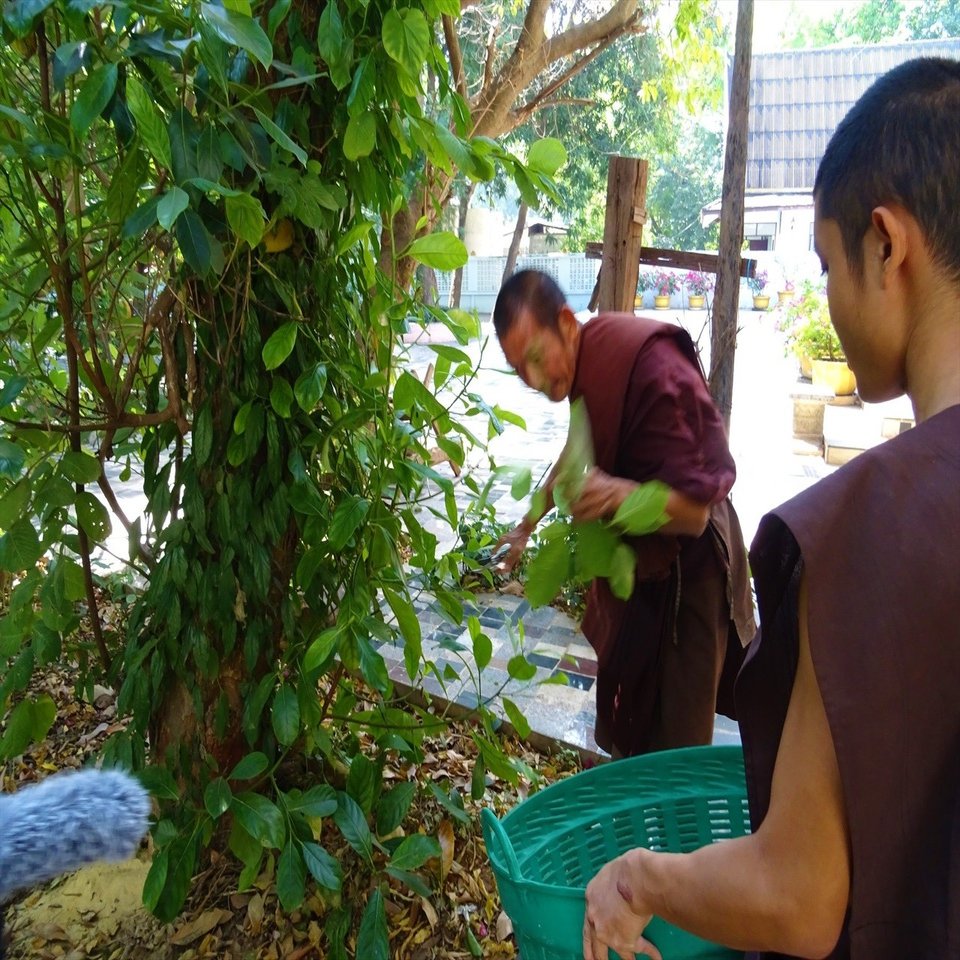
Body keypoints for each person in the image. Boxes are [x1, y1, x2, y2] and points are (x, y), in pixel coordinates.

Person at [582, 56, 960, 960]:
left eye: (826, 264)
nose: (827, 297)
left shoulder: (874, 523)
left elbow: (800, 895)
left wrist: (639, 880)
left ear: (886, 244)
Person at [492, 269, 755, 758]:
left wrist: (616, 494)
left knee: (676, 753)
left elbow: (695, 515)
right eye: (519, 369)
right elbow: (577, 446)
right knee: (632, 728)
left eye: (536, 358)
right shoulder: (583, 365)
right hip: (645, 574)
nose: (534, 380)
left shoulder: (646, 364)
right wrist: (528, 523)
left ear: (566, 323)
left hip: (693, 574)